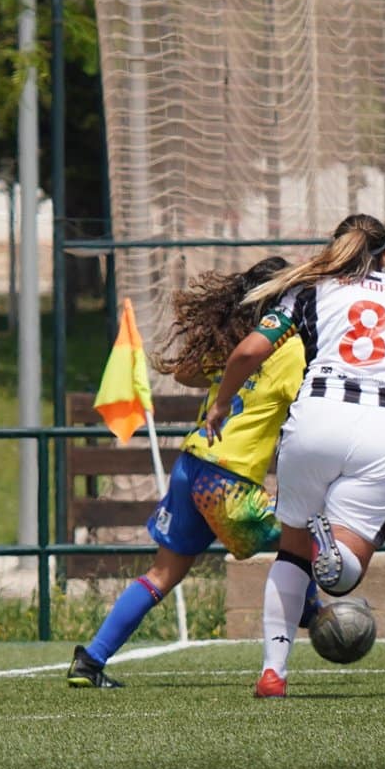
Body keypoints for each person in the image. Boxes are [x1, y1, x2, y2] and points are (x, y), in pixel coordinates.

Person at [206, 214, 385, 698]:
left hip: (316, 420)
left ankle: (273, 673)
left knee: (291, 553)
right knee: (342, 579)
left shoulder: (308, 291)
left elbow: (247, 352)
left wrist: (222, 402)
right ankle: (333, 548)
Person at [68, 257, 313, 688]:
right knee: (304, 545)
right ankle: (322, 617)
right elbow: (308, 407)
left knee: (162, 573)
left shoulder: (234, 343)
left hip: (191, 466)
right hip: (228, 482)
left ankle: (90, 661)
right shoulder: (289, 349)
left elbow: (184, 373)